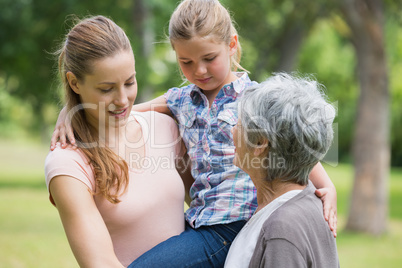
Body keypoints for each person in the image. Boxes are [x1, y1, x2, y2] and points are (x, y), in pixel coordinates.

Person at [51, 1, 337, 267]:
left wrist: (327, 187)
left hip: (232, 224)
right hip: (201, 222)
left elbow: (295, 145)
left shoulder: (254, 99)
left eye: (209, 58)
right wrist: (72, 111)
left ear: (232, 45)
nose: (199, 70)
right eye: (186, 62)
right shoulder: (183, 100)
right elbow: (132, 109)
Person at [44, 15, 189, 267]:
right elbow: (99, 263)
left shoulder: (164, 128)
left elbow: (210, 209)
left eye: (129, 82)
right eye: (106, 89)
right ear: (74, 82)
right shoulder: (68, 163)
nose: (122, 99)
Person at [225, 72, 339, 268]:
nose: (232, 131)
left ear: (260, 142)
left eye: (239, 124)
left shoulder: (281, 229)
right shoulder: (307, 200)